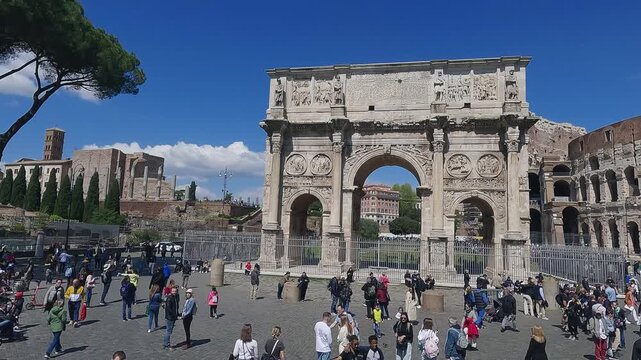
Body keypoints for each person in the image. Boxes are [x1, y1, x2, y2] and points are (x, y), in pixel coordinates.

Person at [163, 286, 179, 350]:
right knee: (168, 331)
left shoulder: (174, 297)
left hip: (171, 317)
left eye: (175, 291)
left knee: (168, 331)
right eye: (173, 291)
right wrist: (176, 316)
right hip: (170, 317)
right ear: (171, 291)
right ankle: (167, 345)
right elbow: (169, 309)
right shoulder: (170, 298)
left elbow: (175, 308)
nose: (174, 292)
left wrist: (177, 313)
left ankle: (165, 344)